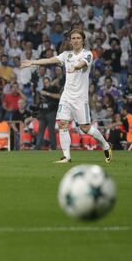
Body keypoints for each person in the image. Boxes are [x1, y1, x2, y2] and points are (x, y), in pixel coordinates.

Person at [21, 29, 113, 163]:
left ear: (83, 40)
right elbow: (50, 60)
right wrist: (34, 62)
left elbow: (82, 64)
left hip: (80, 98)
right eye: (73, 38)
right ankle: (66, 156)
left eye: (78, 38)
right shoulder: (66, 55)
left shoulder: (87, 54)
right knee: (63, 123)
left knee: (85, 128)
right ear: (70, 41)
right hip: (66, 96)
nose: (75, 40)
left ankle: (105, 145)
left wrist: (75, 67)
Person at [34, 77, 60, 150]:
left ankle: (53, 147)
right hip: (43, 113)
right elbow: (38, 102)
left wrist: (47, 93)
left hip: (51, 112)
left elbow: (59, 96)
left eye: (47, 82)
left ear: (50, 82)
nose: (46, 84)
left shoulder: (54, 88)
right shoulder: (42, 90)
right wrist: (37, 95)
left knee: (51, 131)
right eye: (44, 82)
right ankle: (37, 147)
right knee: (40, 131)